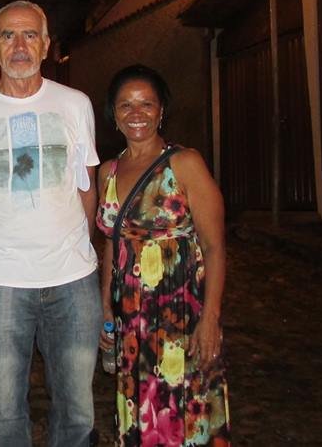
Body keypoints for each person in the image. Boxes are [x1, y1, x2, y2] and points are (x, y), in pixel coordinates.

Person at [0, 0, 101, 446]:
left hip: (72, 280)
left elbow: (86, 188)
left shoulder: (75, 105)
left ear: (46, 45)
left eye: (30, 35)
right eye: (8, 36)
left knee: (78, 410)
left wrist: (80, 250)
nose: (19, 46)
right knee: (6, 411)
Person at [96, 64, 230, 445]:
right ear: (114, 114)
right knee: (142, 409)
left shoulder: (184, 164)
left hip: (181, 315)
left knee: (184, 411)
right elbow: (112, 244)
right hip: (132, 319)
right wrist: (106, 307)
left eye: (146, 104)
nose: (136, 113)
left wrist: (210, 318)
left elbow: (215, 246)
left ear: (161, 111)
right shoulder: (108, 172)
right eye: (126, 105)